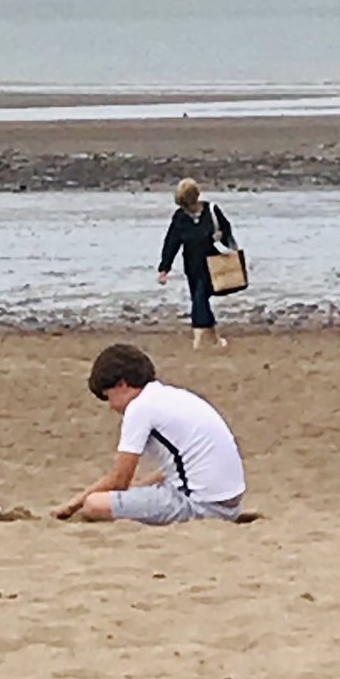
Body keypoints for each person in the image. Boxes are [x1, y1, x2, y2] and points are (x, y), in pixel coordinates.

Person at [52, 343, 247, 525]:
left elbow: (119, 480)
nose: (111, 406)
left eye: (108, 396)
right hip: (229, 504)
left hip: (200, 505)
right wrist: (138, 489)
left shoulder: (139, 408)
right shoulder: (171, 396)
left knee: (94, 504)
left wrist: (71, 505)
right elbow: (176, 467)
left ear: (121, 385)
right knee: (134, 492)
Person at [158, 178, 236, 350]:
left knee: (199, 298)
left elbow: (228, 233)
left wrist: (222, 238)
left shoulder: (212, 211)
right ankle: (216, 340)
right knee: (199, 300)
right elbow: (172, 242)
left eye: (187, 205)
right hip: (192, 266)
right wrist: (164, 268)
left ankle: (197, 341)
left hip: (212, 263)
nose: (185, 209)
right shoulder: (179, 217)